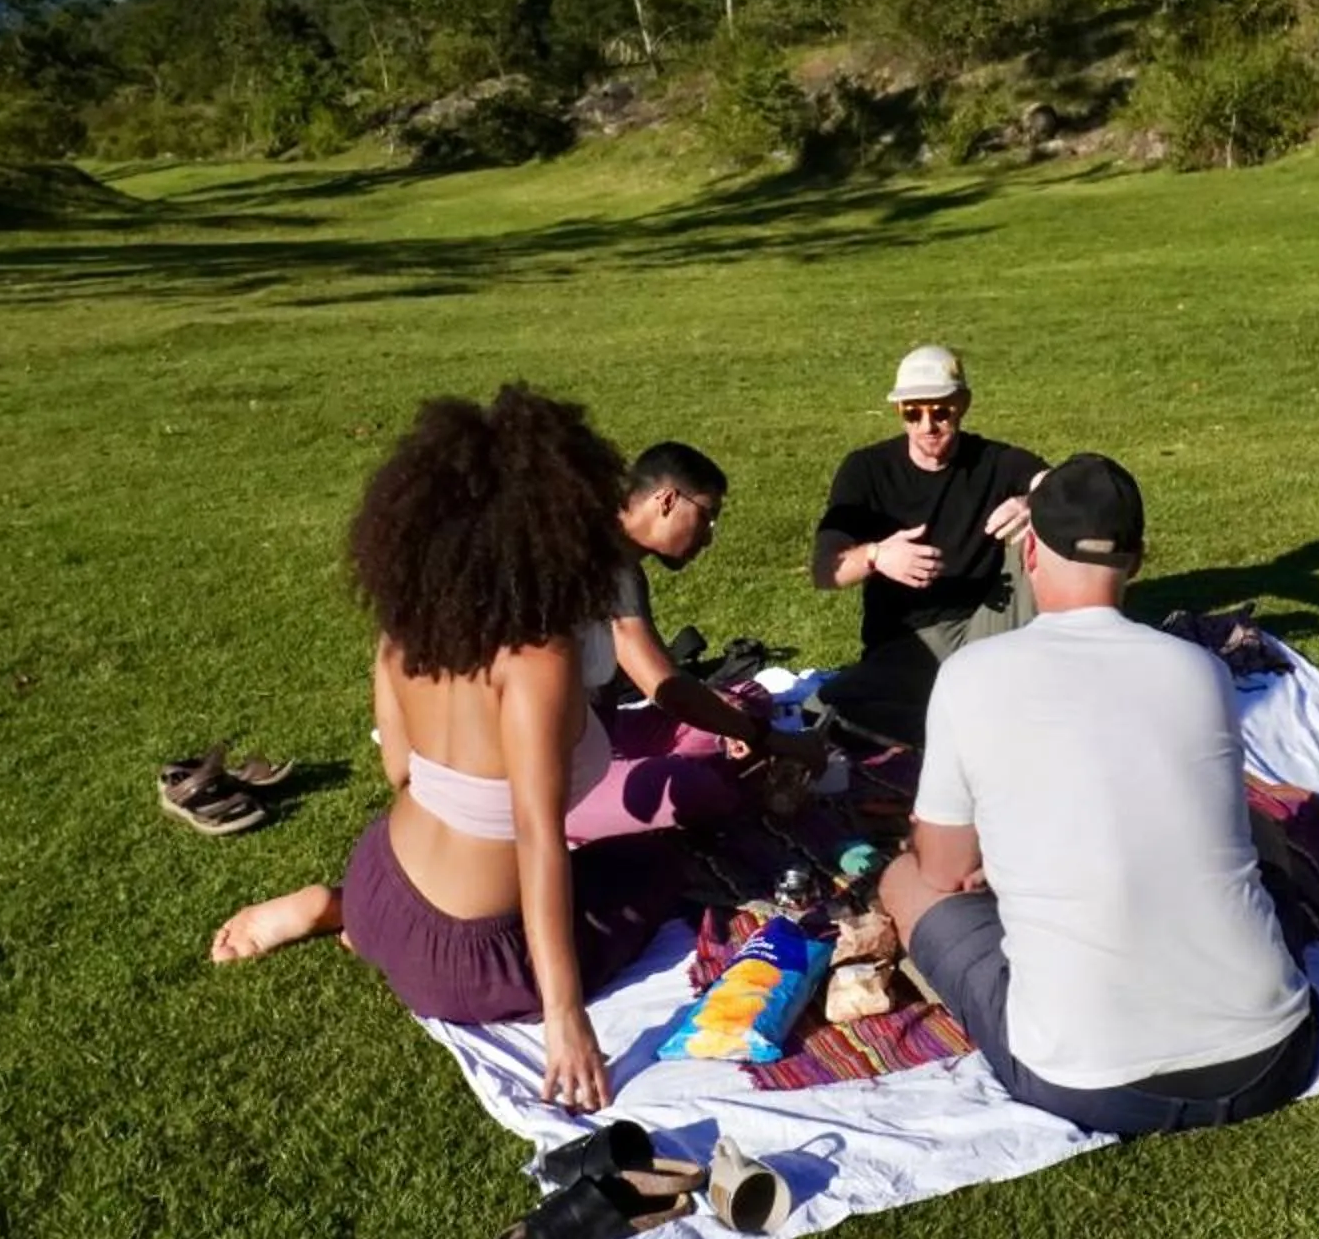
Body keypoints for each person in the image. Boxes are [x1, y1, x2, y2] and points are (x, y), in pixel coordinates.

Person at [207, 386, 680, 1113]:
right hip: (468, 958)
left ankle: (340, 913)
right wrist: (565, 1019)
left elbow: (399, 770)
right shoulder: (537, 660)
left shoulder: (406, 632)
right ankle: (348, 921)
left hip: (379, 883)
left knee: (604, 867)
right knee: (660, 870)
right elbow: (536, 838)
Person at [876, 454, 1319, 1137]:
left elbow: (942, 869)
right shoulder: (1202, 670)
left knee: (908, 880)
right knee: (1261, 831)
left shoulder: (972, 676)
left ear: (1029, 551)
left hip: (1092, 1078)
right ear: (1137, 560)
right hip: (1274, 1053)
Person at [565, 441, 826, 844]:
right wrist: (769, 739)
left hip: (604, 732)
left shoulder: (618, 559)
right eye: (707, 517)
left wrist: (734, 723)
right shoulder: (605, 563)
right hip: (560, 778)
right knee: (696, 789)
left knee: (748, 695)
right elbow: (664, 688)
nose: (708, 538)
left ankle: (702, 760)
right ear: (667, 500)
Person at [808, 344, 1046, 740]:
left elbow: (1072, 489)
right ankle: (969, 725)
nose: (927, 425)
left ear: (963, 404)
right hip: (910, 644)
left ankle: (1008, 698)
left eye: (940, 412)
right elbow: (823, 570)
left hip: (989, 626)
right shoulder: (866, 469)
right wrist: (876, 555)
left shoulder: (995, 461)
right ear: (899, 412)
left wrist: (1033, 502)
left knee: (1047, 525)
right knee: (823, 710)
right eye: (912, 413)